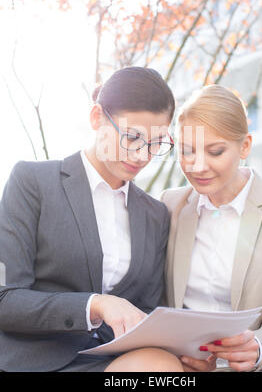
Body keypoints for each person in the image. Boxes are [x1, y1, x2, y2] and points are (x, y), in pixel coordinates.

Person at [0, 66, 194, 373]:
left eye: (156, 143)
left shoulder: (155, 214)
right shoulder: (33, 182)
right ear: (96, 118)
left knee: (168, 368)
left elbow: (146, 310)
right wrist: (95, 304)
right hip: (35, 361)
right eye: (132, 137)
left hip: (113, 361)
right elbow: (5, 298)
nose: (142, 155)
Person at [160, 84, 262, 372]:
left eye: (215, 151)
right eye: (187, 151)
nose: (198, 166)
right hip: (183, 365)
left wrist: (256, 349)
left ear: (245, 146)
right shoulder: (170, 206)